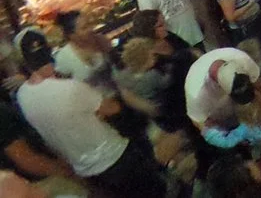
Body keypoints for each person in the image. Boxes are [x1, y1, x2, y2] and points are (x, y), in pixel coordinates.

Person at [17, 30, 167, 197]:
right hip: (115, 156)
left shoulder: (22, 96)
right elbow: (112, 108)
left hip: (86, 171)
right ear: (49, 50)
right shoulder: (70, 88)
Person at [52, 10, 116, 97]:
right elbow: (65, 89)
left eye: (90, 24)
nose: (91, 29)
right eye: (84, 28)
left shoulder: (101, 40)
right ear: (72, 35)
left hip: (117, 96)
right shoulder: (63, 57)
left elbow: (116, 67)